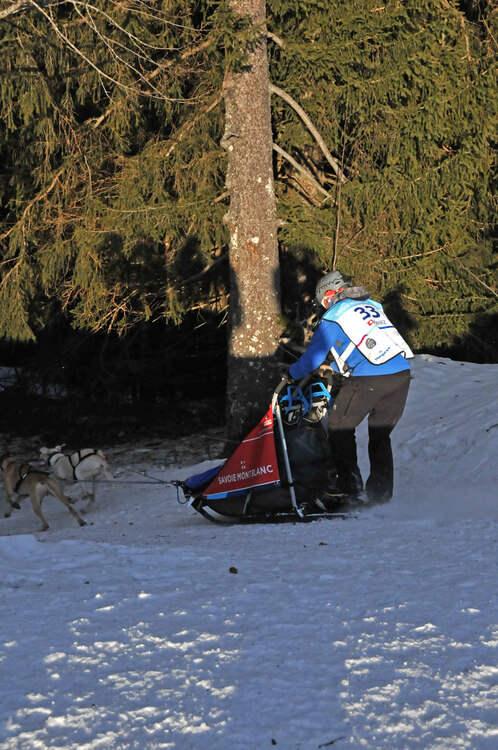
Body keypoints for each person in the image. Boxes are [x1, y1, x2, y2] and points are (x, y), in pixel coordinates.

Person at [287, 270, 413, 505]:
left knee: (339, 426)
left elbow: (313, 358)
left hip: (371, 378)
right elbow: (361, 343)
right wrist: (334, 366)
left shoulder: (335, 314)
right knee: (380, 435)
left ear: (333, 294)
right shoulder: (372, 306)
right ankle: (380, 495)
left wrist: (291, 374)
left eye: (324, 300)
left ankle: (348, 486)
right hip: (401, 375)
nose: (324, 307)